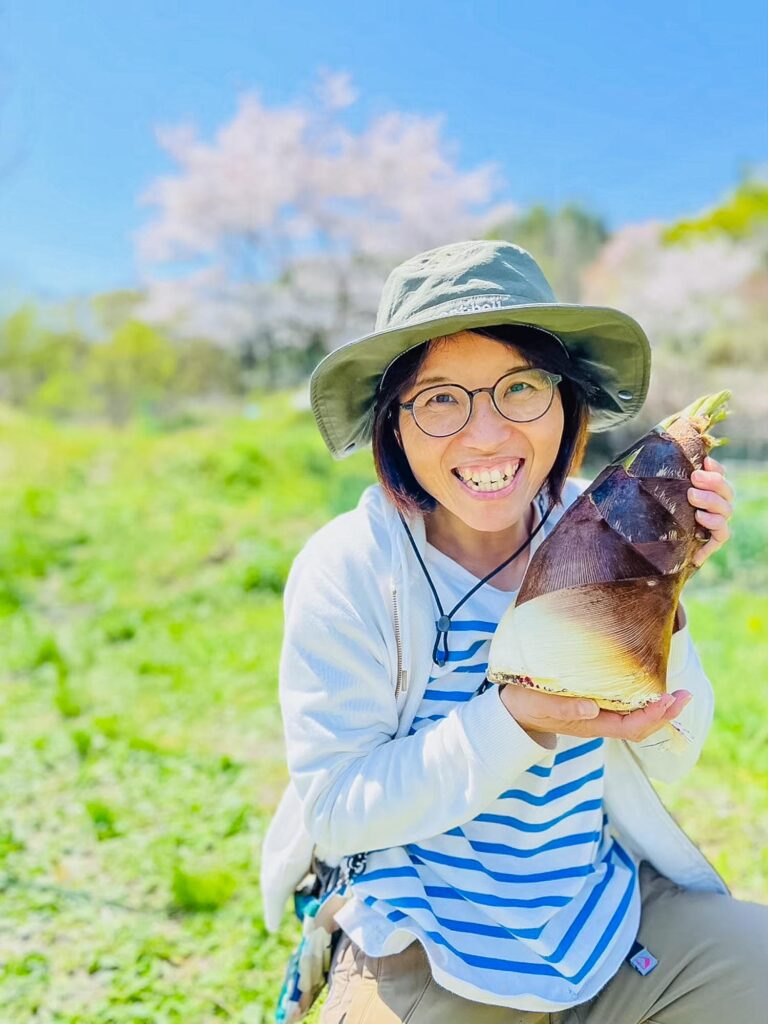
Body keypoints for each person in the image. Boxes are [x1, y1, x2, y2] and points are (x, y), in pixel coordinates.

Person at [262, 240, 766, 1023]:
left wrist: (667, 584)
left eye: (521, 387)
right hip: (423, 934)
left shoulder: (604, 525)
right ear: (392, 425)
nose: (488, 435)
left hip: (595, 913)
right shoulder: (353, 566)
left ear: (566, 402)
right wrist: (514, 720)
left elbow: (672, 753)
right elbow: (337, 807)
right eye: (439, 398)